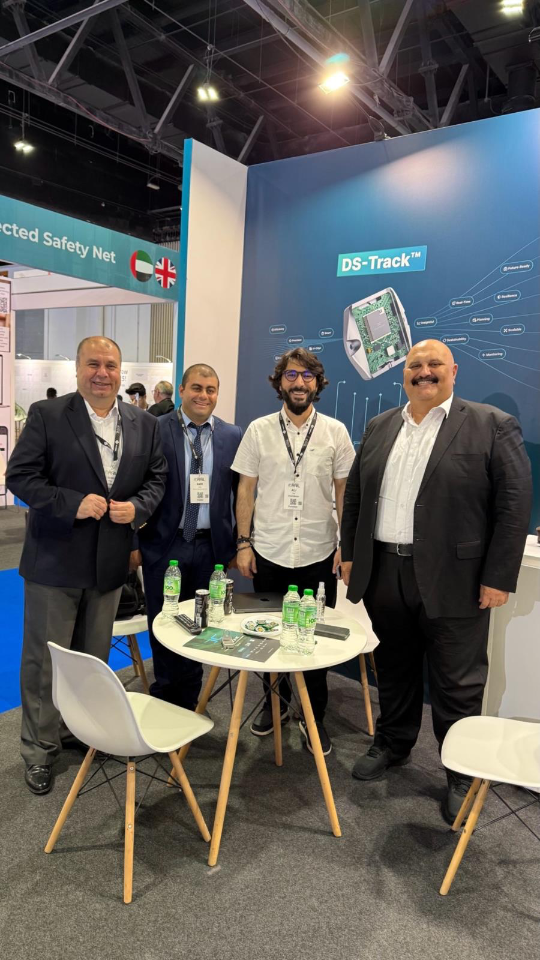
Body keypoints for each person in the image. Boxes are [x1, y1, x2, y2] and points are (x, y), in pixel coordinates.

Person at [340, 339, 532, 823]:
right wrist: (351, 555)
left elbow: (513, 507)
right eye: (415, 365)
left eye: (434, 365)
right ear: (403, 373)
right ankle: (393, 743)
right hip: (386, 571)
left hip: (457, 579)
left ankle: (461, 771)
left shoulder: (492, 425)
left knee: (456, 682)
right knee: (394, 666)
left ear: (454, 371)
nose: (424, 372)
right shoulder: (381, 425)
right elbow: (357, 497)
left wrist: (498, 577)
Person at [6, 336, 168, 795]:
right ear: (78, 369)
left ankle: (76, 731)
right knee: (45, 663)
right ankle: (39, 751)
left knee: (92, 662)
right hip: (54, 561)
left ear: (121, 371)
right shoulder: (48, 415)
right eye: (93, 364)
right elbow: (20, 476)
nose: (102, 373)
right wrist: (70, 503)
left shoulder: (143, 423)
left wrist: (137, 509)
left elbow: (157, 479)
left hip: (108, 565)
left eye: (110, 365)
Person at [232, 348, 355, 755]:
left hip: (318, 555)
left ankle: (313, 716)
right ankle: (275, 706)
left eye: (307, 376)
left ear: (317, 383)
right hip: (269, 552)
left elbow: (344, 492)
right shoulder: (259, 430)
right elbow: (246, 489)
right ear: (279, 382)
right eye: (290, 375)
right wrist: (244, 543)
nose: (299, 383)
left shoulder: (336, 432)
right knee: (269, 637)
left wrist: (345, 544)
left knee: (313, 640)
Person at [135, 363, 242, 710]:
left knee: (201, 625)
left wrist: (237, 543)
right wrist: (134, 541)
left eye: (211, 390)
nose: (203, 395)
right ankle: (165, 697)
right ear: (181, 390)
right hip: (166, 544)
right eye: (196, 388)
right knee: (164, 622)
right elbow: (137, 484)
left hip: (211, 549)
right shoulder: (155, 428)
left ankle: (190, 702)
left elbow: (241, 494)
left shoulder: (231, 435)